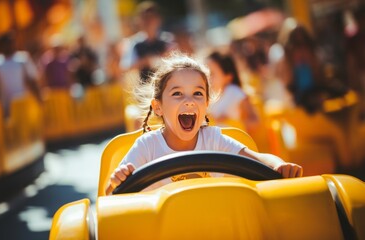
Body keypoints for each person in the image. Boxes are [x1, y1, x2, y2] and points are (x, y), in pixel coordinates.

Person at [105, 52, 303, 195]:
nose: (189, 100)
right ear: (158, 107)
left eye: (198, 93)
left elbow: (257, 159)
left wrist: (279, 165)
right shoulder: (147, 146)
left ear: (207, 104)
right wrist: (117, 180)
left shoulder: (213, 139)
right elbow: (111, 195)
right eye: (177, 94)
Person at [0, 31, 42, 117]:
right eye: (6, 43)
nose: (9, 45)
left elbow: (32, 81)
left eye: (11, 42)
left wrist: (39, 99)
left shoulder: (23, 59)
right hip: (4, 108)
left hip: (23, 105)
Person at [206, 51, 259, 133]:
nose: (208, 78)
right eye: (205, 73)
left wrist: (230, 122)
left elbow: (255, 121)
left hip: (234, 142)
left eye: (212, 74)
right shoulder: (209, 95)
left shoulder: (234, 92)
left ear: (228, 77)